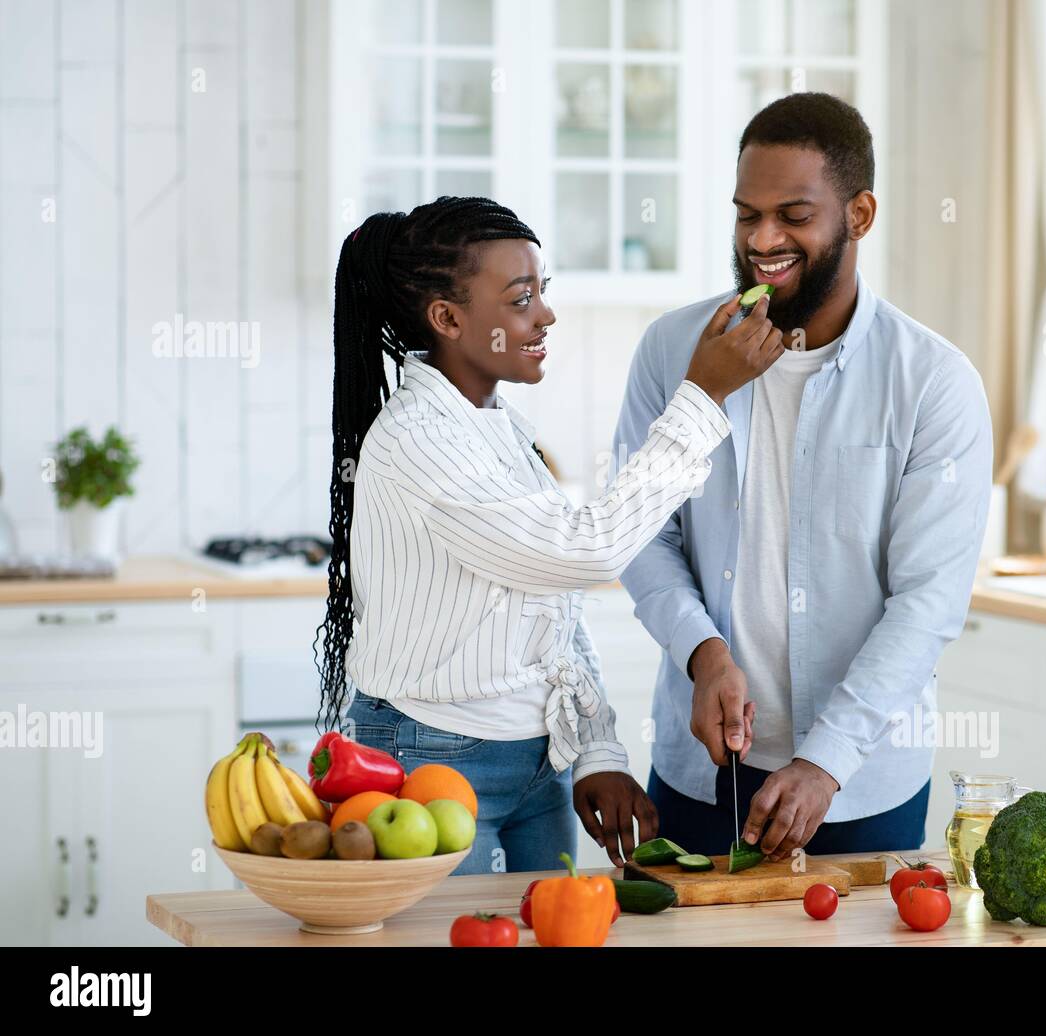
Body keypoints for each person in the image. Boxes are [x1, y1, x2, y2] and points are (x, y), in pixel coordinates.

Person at [315, 196, 784, 874]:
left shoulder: (498, 427)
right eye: (520, 299)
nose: (546, 315)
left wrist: (595, 750)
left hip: (539, 759)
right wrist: (703, 396)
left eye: (543, 292)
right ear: (447, 318)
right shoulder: (418, 440)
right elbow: (584, 552)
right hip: (429, 756)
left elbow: (552, 605)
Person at [612, 93, 994, 859]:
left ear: (859, 214)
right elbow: (640, 531)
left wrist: (826, 760)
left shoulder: (932, 382)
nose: (762, 239)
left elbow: (927, 602)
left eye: (793, 214)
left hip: (858, 781)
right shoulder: (673, 348)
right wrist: (702, 651)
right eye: (746, 214)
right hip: (698, 772)